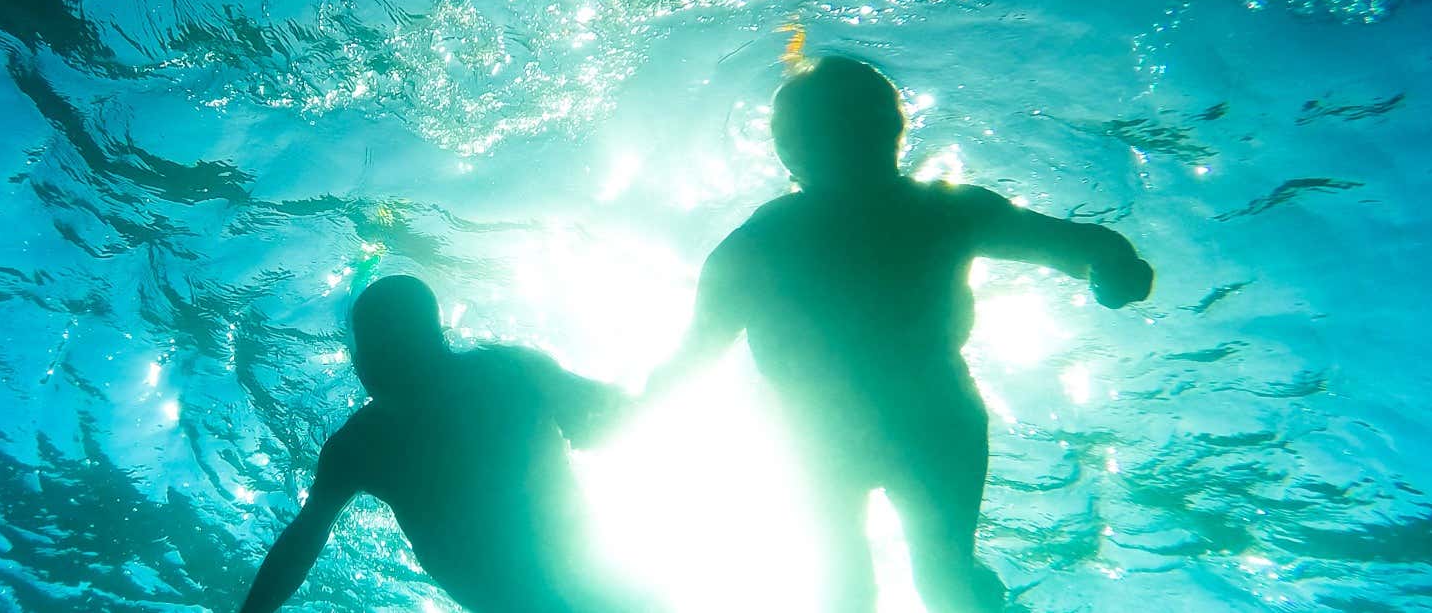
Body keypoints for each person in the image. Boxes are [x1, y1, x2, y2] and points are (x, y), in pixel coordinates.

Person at [643, 55, 1154, 612]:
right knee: (929, 582)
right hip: (920, 422)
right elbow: (1081, 245)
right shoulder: (939, 211)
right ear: (894, 129)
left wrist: (627, 411)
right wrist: (1116, 263)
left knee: (869, 589)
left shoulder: (761, 244)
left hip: (846, 432)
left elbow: (690, 360)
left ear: (788, 149)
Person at [241, 275, 635, 613]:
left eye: (391, 351)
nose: (380, 366)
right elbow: (299, 544)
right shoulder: (511, 372)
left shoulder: (363, 444)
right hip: (582, 585)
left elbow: (301, 543)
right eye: (378, 354)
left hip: (580, 587)